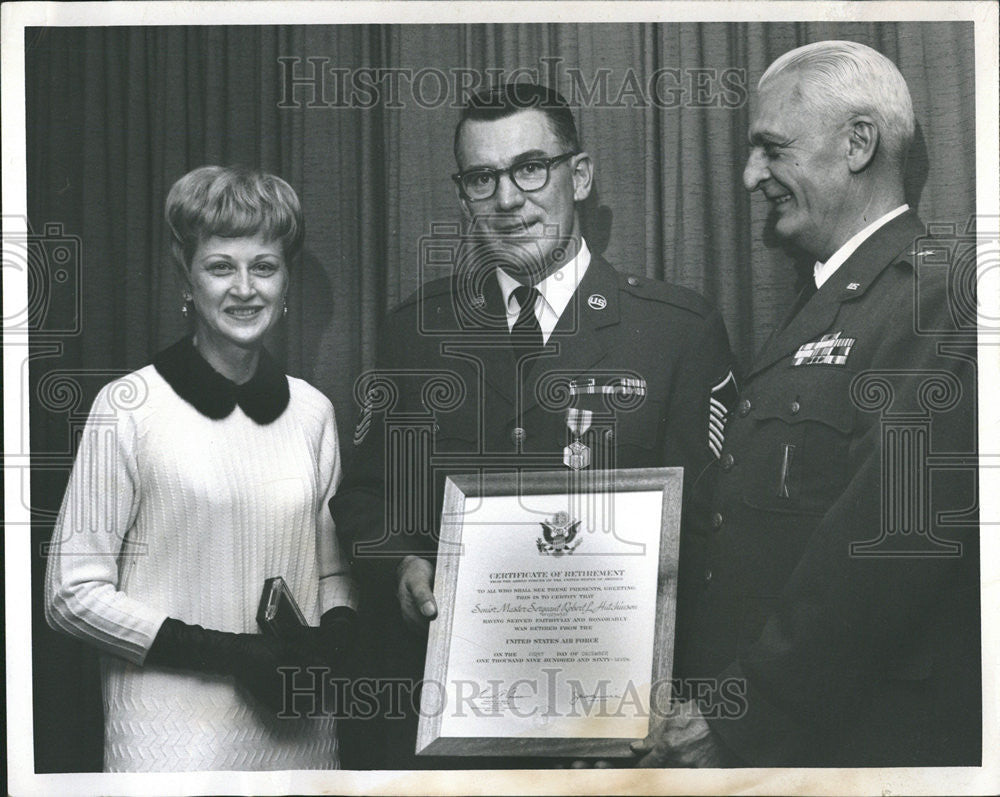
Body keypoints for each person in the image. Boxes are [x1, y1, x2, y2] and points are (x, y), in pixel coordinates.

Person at [330, 82, 736, 768]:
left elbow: (713, 541)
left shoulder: (675, 333)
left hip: (616, 731)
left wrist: (676, 700)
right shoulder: (418, 333)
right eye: (482, 178)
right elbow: (367, 496)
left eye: (529, 168)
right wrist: (399, 562)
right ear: (463, 196)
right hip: (459, 733)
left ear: (578, 176)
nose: (508, 199)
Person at [631, 40, 980, 767]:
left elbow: (883, 548)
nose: (751, 175)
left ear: (859, 144)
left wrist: (739, 712)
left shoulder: (938, 302)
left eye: (772, 149)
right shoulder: (826, 299)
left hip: (859, 740)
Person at [44, 165, 359, 771]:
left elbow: (330, 574)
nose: (245, 288)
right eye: (221, 267)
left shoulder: (313, 411)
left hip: (302, 746)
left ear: (286, 281)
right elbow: (71, 594)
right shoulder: (127, 407)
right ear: (185, 278)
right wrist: (227, 653)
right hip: (170, 748)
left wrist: (335, 638)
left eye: (263, 266)